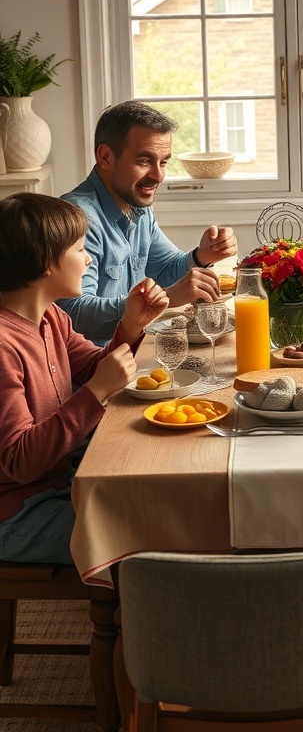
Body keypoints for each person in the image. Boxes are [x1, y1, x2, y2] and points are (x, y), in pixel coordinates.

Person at [0, 193, 169, 565]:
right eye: (80, 249)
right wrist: (95, 392)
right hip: (16, 512)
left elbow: (96, 369)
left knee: (157, 495)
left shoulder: (51, 318)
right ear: (48, 264)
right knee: (141, 536)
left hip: (62, 479)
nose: (89, 258)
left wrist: (130, 326)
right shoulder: (3, 346)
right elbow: (19, 461)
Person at [60, 101, 237, 344]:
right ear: (106, 157)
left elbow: (165, 269)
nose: (158, 175)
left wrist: (201, 256)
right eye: (144, 161)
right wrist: (164, 297)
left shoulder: (137, 205)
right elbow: (73, 314)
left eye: (163, 162)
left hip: (131, 348)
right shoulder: (76, 218)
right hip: (94, 368)